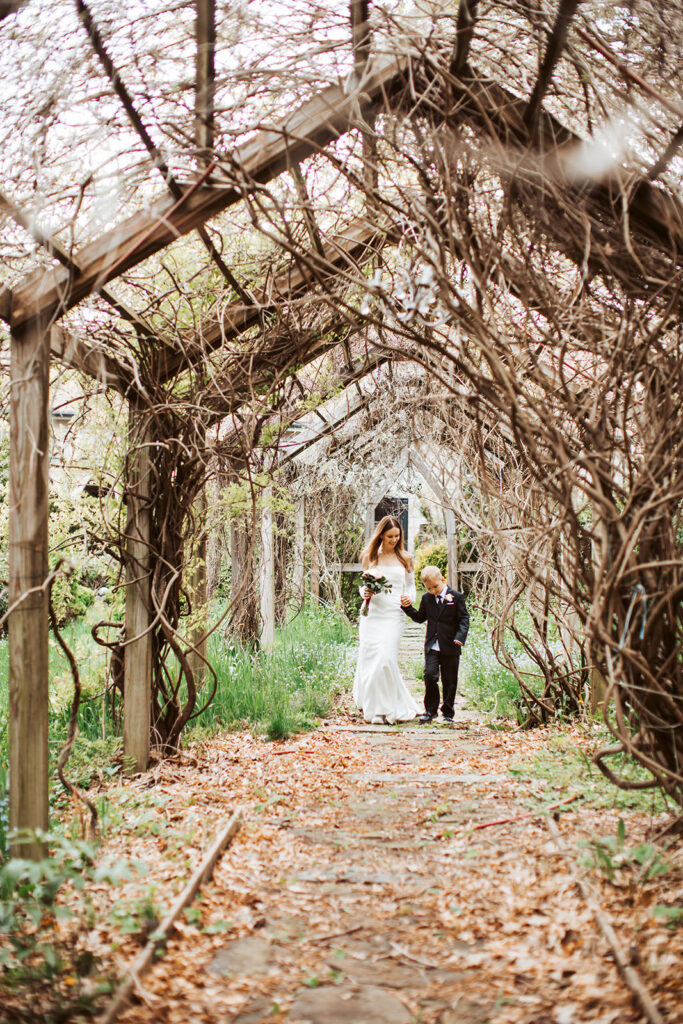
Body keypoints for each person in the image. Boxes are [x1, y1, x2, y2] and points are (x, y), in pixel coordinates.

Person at [352, 515, 420, 724]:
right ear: (381, 535)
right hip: (373, 614)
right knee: (371, 658)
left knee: (385, 658)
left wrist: (410, 598)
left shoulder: (405, 558)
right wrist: (364, 592)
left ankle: (388, 708)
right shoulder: (370, 556)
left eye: (397, 536)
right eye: (390, 536)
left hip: (394, 613)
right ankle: (375, 708)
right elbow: (363, 584)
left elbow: (410, 585)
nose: (394, 540)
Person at [400, 565, 469, 724]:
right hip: (432, 645)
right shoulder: (426, 599)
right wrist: (407, 608)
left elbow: (464, 619)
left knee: (450, 680)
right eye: (429, 588)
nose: (433, 591)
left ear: (442, 580)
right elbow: (420, 617)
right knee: (429, 675)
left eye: (435, 587)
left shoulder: (456, 597)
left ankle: (448, 713)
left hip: (451, 644)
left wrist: (460, 637)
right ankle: (430, 711)